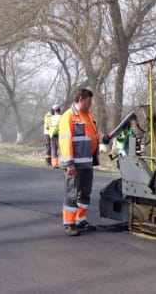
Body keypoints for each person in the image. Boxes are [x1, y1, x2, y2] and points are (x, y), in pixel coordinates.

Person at [59, 88, 110, 236]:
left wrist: (102, 138)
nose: (91, 104)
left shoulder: (87, 115)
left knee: (84, 194)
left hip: (87, 163)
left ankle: (80, 220)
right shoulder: (68, 117)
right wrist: (69, 164)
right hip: (75, 165)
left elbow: (93, 134)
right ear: (80, 99)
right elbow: (65, 141)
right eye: (89, 101)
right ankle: (69, 224)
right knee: (72, 194)